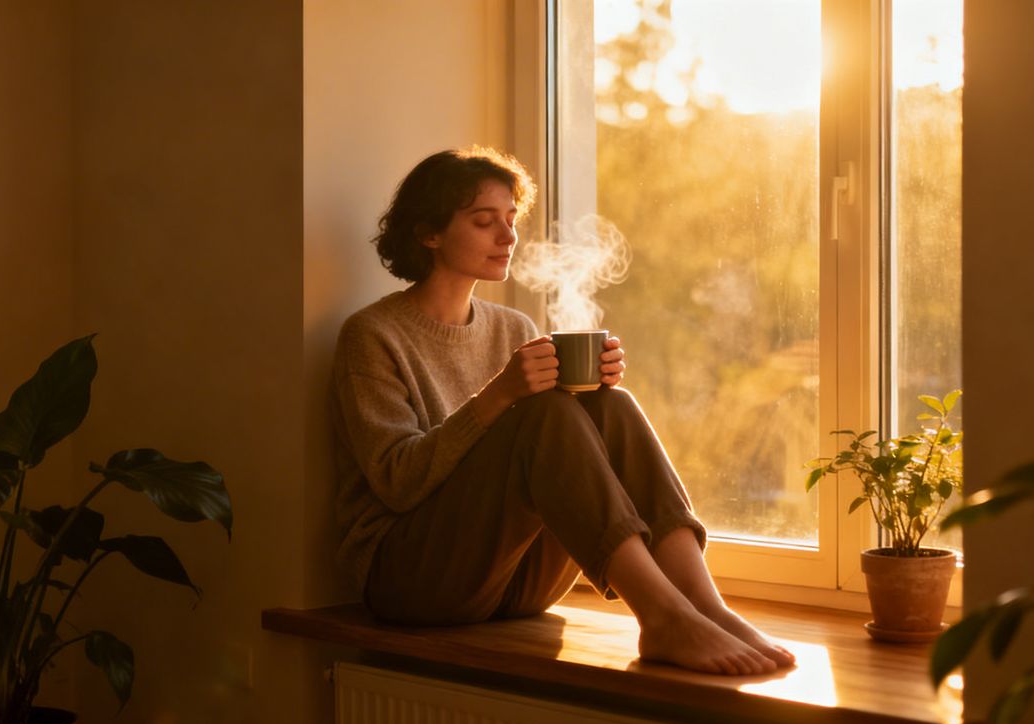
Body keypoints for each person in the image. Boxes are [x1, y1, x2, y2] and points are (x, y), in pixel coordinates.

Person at [330, 146, 795, 675]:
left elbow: (558, 461)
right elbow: (396, 482)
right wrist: (499, 395)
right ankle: (663, 617)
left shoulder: (512, 328)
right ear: (428, 233)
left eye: (511, 219)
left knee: (610, 405)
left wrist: (593, 390)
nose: (508, 236)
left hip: (519, 581)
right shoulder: (372, 335)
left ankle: (705, 607)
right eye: (484, 221)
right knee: (542, 414)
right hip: (414, 581)